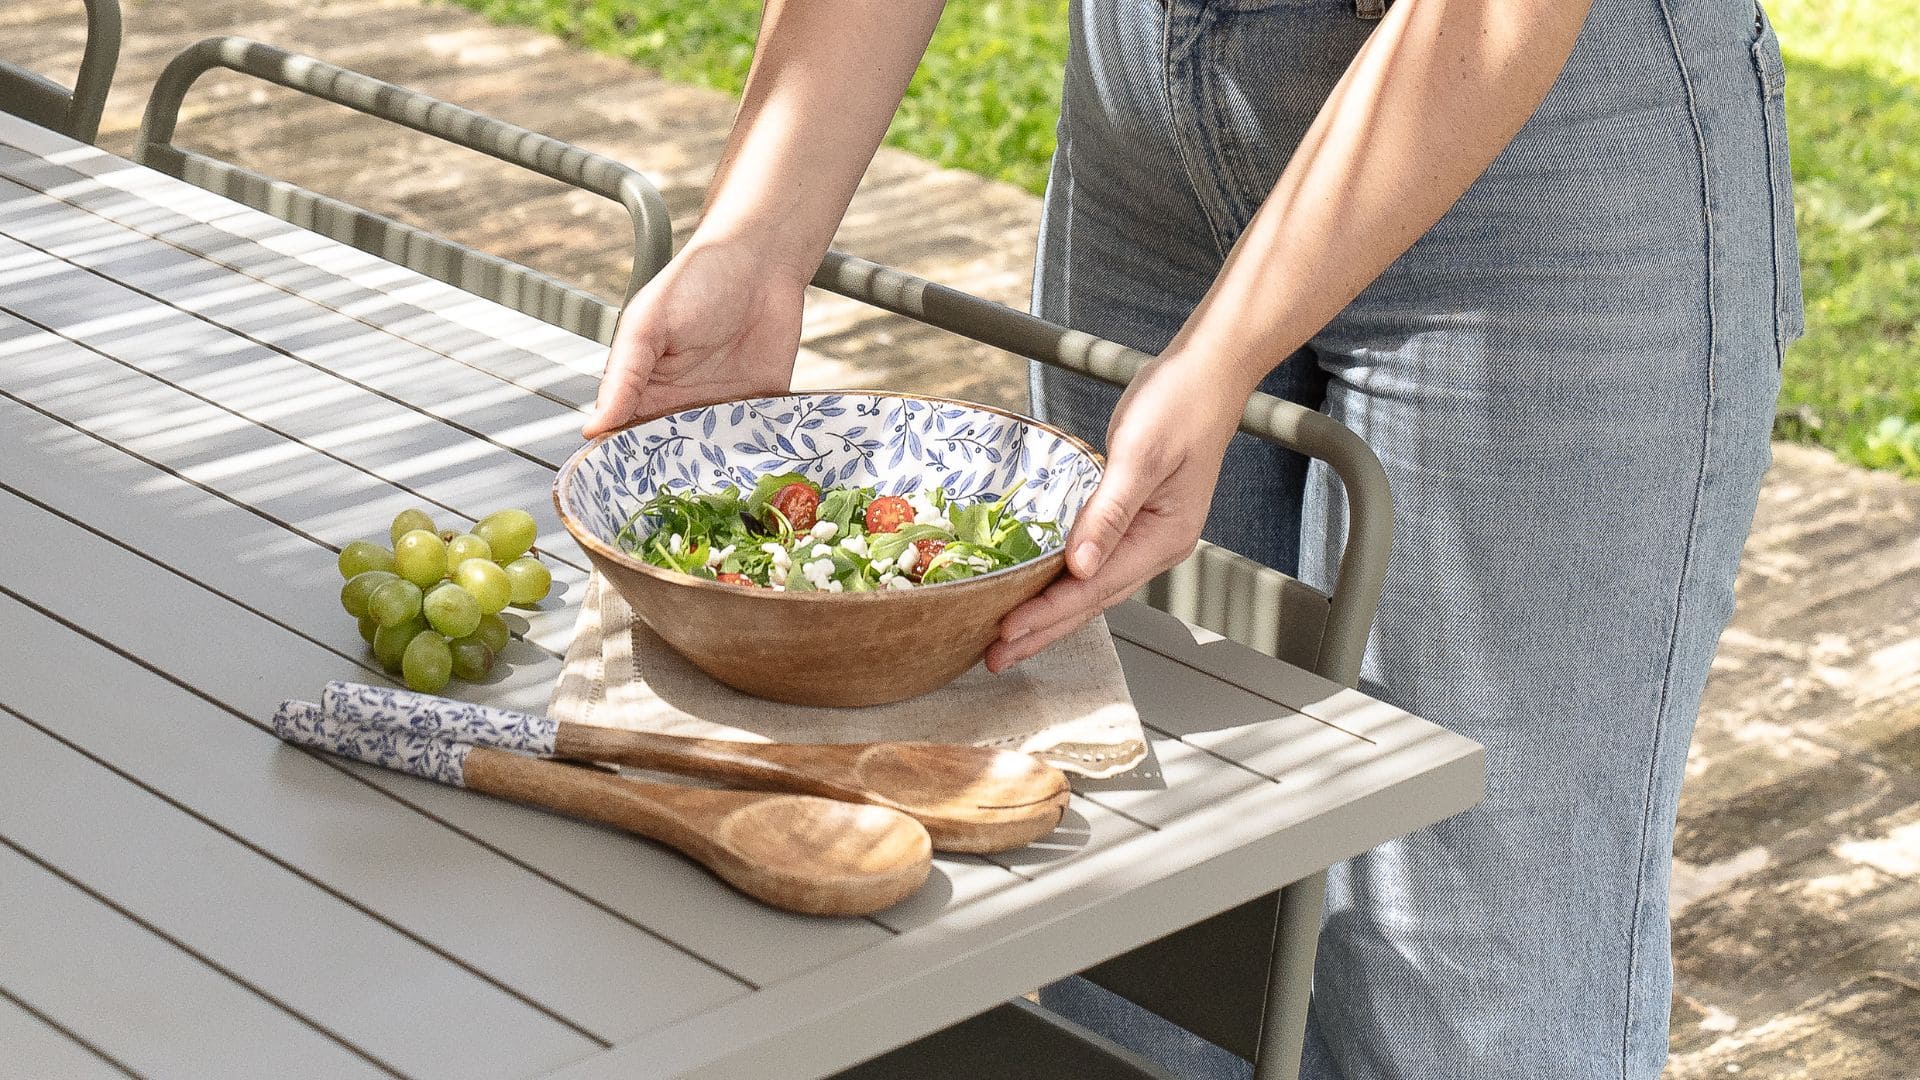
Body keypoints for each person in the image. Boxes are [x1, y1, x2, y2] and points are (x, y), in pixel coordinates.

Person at [583, 0, 1801, 1075]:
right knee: (1132, 908)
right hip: (1149, 121)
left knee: (1464, 968)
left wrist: (1223, 355)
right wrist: (755, 238)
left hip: (1536, 146)